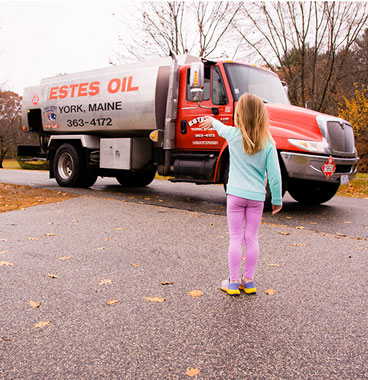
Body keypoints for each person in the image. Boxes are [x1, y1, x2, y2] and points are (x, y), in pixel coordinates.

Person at [200, 93, 282, 296]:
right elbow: (275, 176)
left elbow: (217, 126)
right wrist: (277, 200)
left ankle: (233, 282)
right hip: (256, 198)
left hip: (235, 196)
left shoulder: (233, 135)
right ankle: (249, 280)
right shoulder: (268, 143)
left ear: (239, 116)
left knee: (236, 237)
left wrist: (211, 121)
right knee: (252, 237)